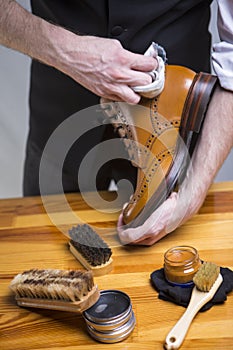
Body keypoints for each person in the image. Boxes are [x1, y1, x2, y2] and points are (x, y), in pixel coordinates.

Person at [0, 0, 232, 245]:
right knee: (42, 254)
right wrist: (65, 52)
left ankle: (177, 87)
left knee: (171, 264)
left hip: (174, 130)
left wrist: (191, 195)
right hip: (58, 116)